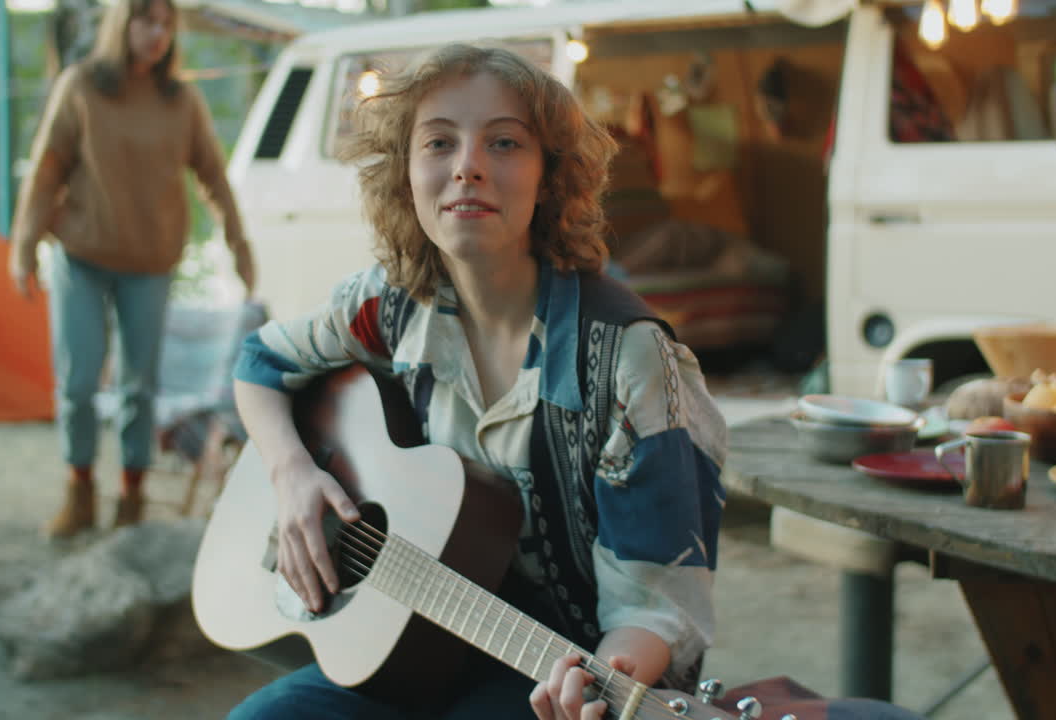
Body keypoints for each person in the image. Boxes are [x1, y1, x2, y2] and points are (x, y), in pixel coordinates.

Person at [227, 43, 728, 720]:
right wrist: (291, 475)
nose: (467, 167)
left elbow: (656, 608)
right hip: (404, 642)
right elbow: (260, 365)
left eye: (504, 143)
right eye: (439, 142)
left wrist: (606, 683)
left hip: (545, 672)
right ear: (405, 175)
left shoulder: (626, 362)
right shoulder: (390, 305)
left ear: (549, 177)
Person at [8, 0, 256, 537]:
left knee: (138, 385)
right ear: (124, 24)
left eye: (166, 24)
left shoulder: (181, 100)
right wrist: (24, 245)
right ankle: (79, 489)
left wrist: (240, 245)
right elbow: (47, 167)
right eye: (147, 20)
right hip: (82, 255)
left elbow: (213, 177)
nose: (157, 33)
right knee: (77, 379)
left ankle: (132, 496)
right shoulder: (82, 87)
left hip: (150, 262)